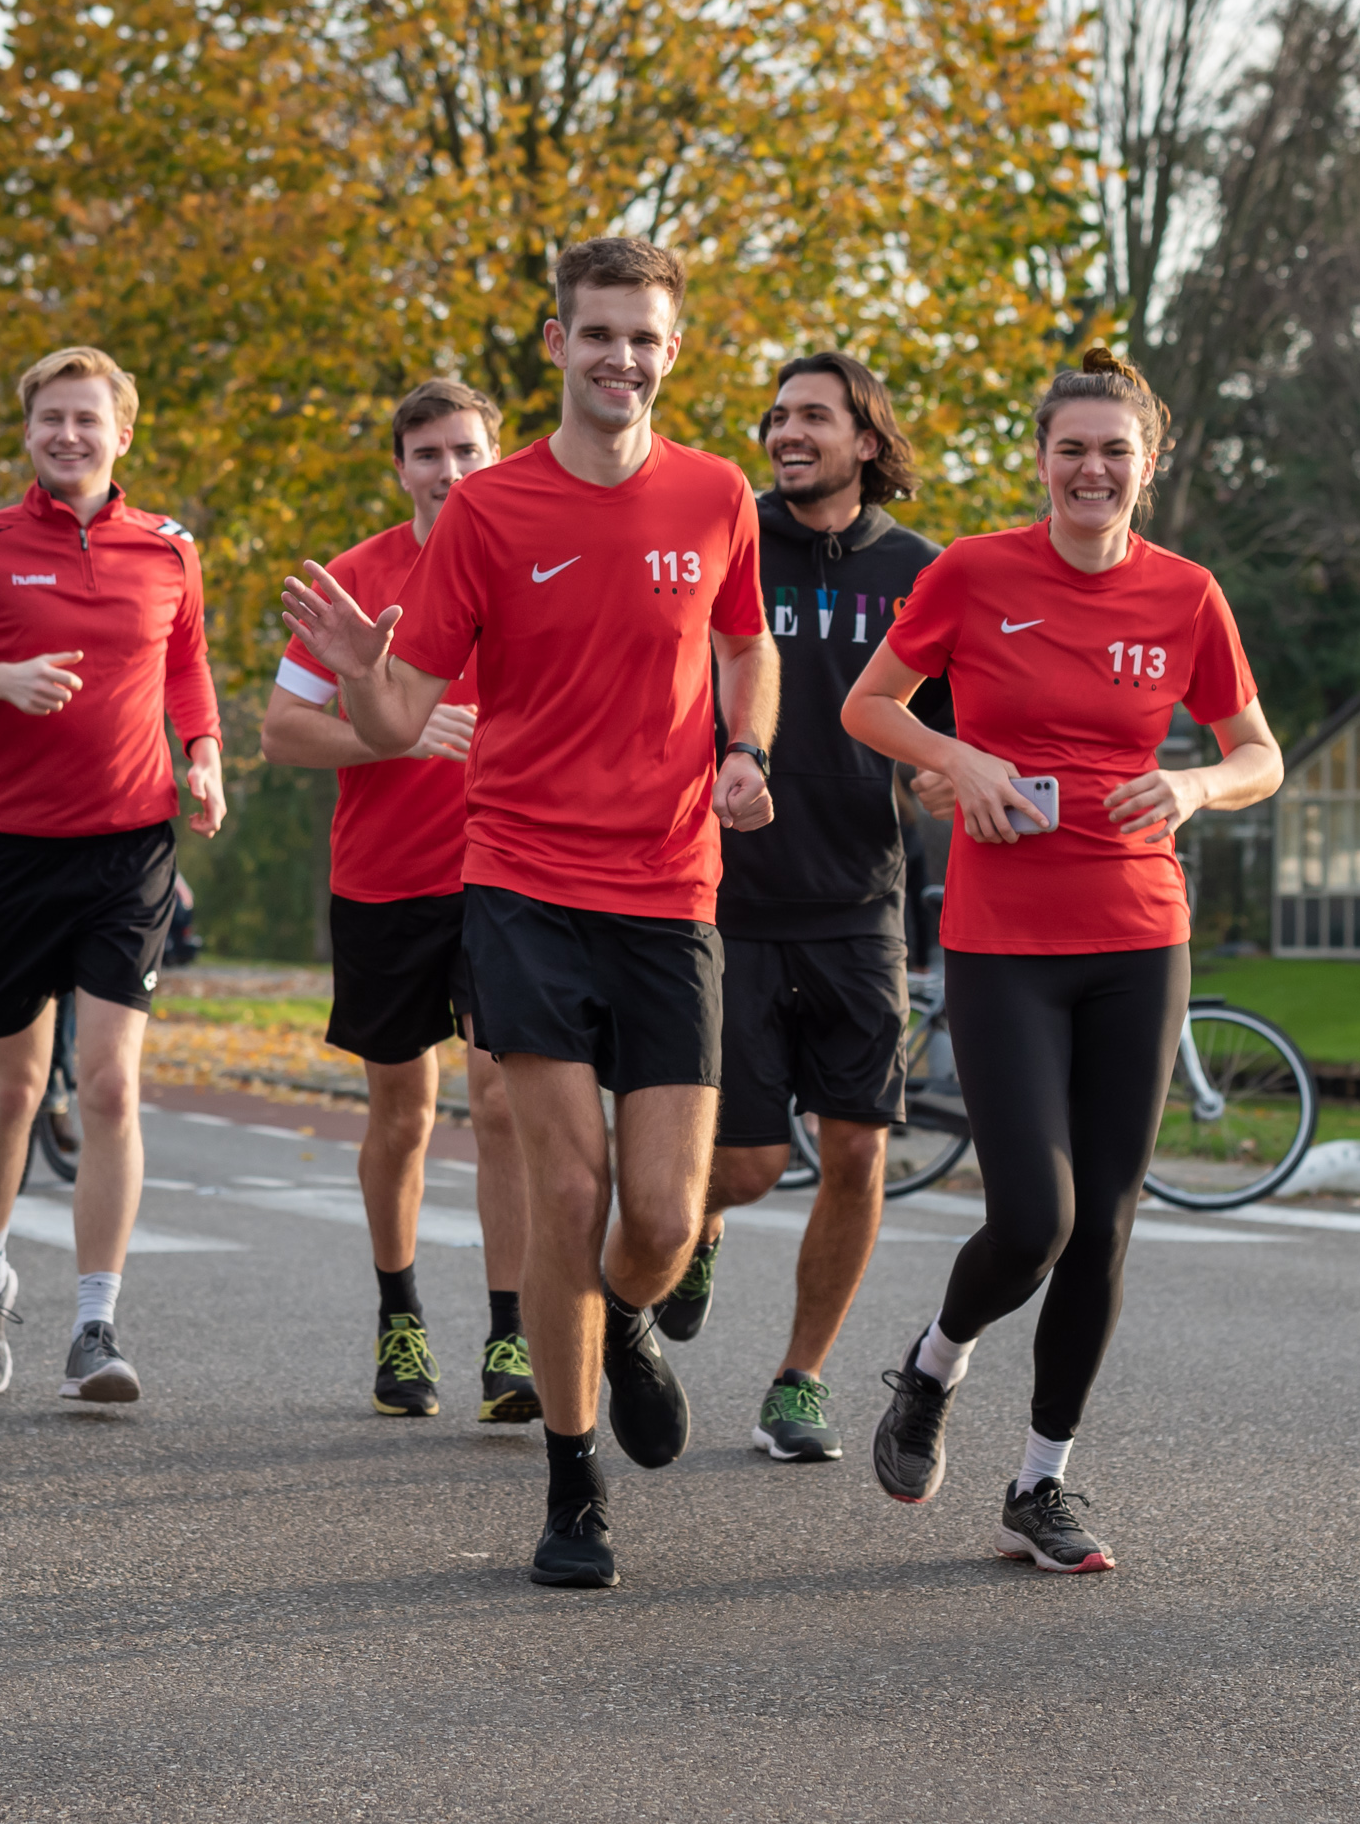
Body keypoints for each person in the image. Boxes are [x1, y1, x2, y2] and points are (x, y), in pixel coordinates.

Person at [282, 236, 778, 1590]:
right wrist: (360, 667)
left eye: (645, 335)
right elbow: (398, 712)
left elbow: (746, 640)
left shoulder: (716, 494)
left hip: (671, 885)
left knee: (663, 1220)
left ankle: (622, 1322)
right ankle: (573, 1480)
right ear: (555, 344)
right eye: (597, 331)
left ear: (672, 349)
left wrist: (747, 747)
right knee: (567, 1183)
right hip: (521, 883)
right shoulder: (493, 511)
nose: (620, 355)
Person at [838, 351, 1281, 1572]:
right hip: (1003, 940)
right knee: (1035, 1214)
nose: (1092, 469)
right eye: (1072, 448)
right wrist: (962, 760)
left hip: (1141, 933)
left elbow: (1260, 751)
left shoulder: (1188, 593)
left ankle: (1042, 1482)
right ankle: (932, 1364)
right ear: (1042, 459)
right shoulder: (975, 572)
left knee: (1106, 1227)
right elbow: (868, 706)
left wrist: (1195, 781)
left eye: (1114, 451)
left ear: (1151, 464)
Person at [0, 346, 224, 1403]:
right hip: (10, 849)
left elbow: (187, 666)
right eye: (50, 420)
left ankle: (95, 1321)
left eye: (88, 419)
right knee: (16, 1085)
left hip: (131, 847)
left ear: (124, 431)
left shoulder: (170, 549)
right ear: (29, 432)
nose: (68, 436)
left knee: (113, 1082)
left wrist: (204, 753)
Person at [662, 353, 948, 1465]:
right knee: (741, 1165)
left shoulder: (925, 574)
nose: (786, 432)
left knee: (858, 1151)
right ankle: (700, 1231)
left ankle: (800, 1379)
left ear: (866, 440)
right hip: (722, 898)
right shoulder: (727, 542)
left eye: (813, 417)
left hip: (861, 903)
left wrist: (942, 776)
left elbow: (951, 729)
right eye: (777, 416)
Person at [260, 378, 537, 1426]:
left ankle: (509, 1329)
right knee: (405, 1111)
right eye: (429, 453)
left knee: (504, 1100)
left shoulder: (528, 561)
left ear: (496, 456)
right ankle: (401, 1311)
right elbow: (284, 732)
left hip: (506, 872)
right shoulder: (356, 579)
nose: (451, 471)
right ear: (403, 467)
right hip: (384, 877)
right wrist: (395, 731)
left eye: (468, 450)